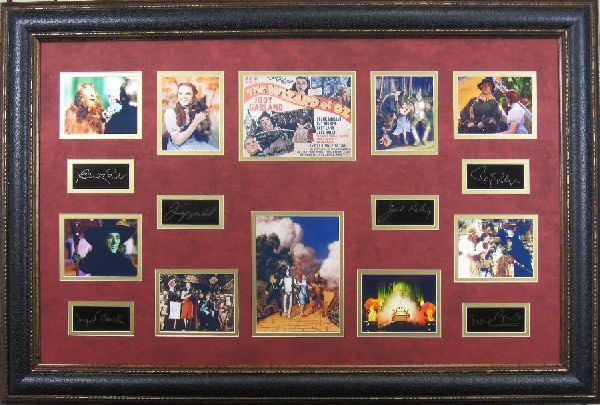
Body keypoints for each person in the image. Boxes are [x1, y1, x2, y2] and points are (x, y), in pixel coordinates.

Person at [73, 219, 137, 277]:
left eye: (117, 238)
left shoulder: (123, 259)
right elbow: (86, 268)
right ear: (104, 239)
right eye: (110, 237)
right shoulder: (96, 255)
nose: (114, 242)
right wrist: (78, 260)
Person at [163, 82, 216, 151]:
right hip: (179, 148)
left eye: (188, 94)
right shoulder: (171, 112)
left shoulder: (194, 109)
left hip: (196, 143)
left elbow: (205, 132)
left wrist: (205, 127)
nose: (184, 96)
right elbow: (177, 142)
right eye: (180, 93)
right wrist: (196, 121)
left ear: (193, 96)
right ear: (177, 95)